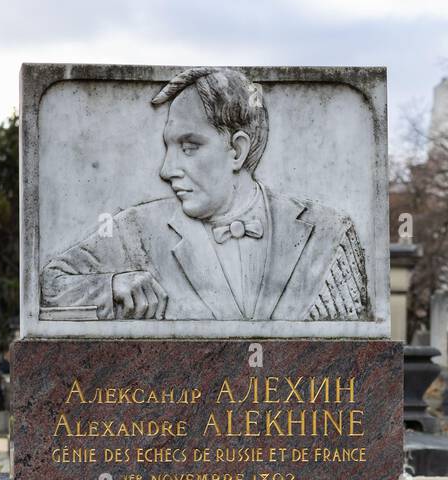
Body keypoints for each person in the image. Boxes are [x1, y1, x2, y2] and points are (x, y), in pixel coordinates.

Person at [41, 66, 368, 322]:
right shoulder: (137, 230)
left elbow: (354, 349)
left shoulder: (327, 235)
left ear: (237, 150)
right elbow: (47, 286)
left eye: (189, 147)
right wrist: (110, 286)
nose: (166, 170)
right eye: (168, 148)